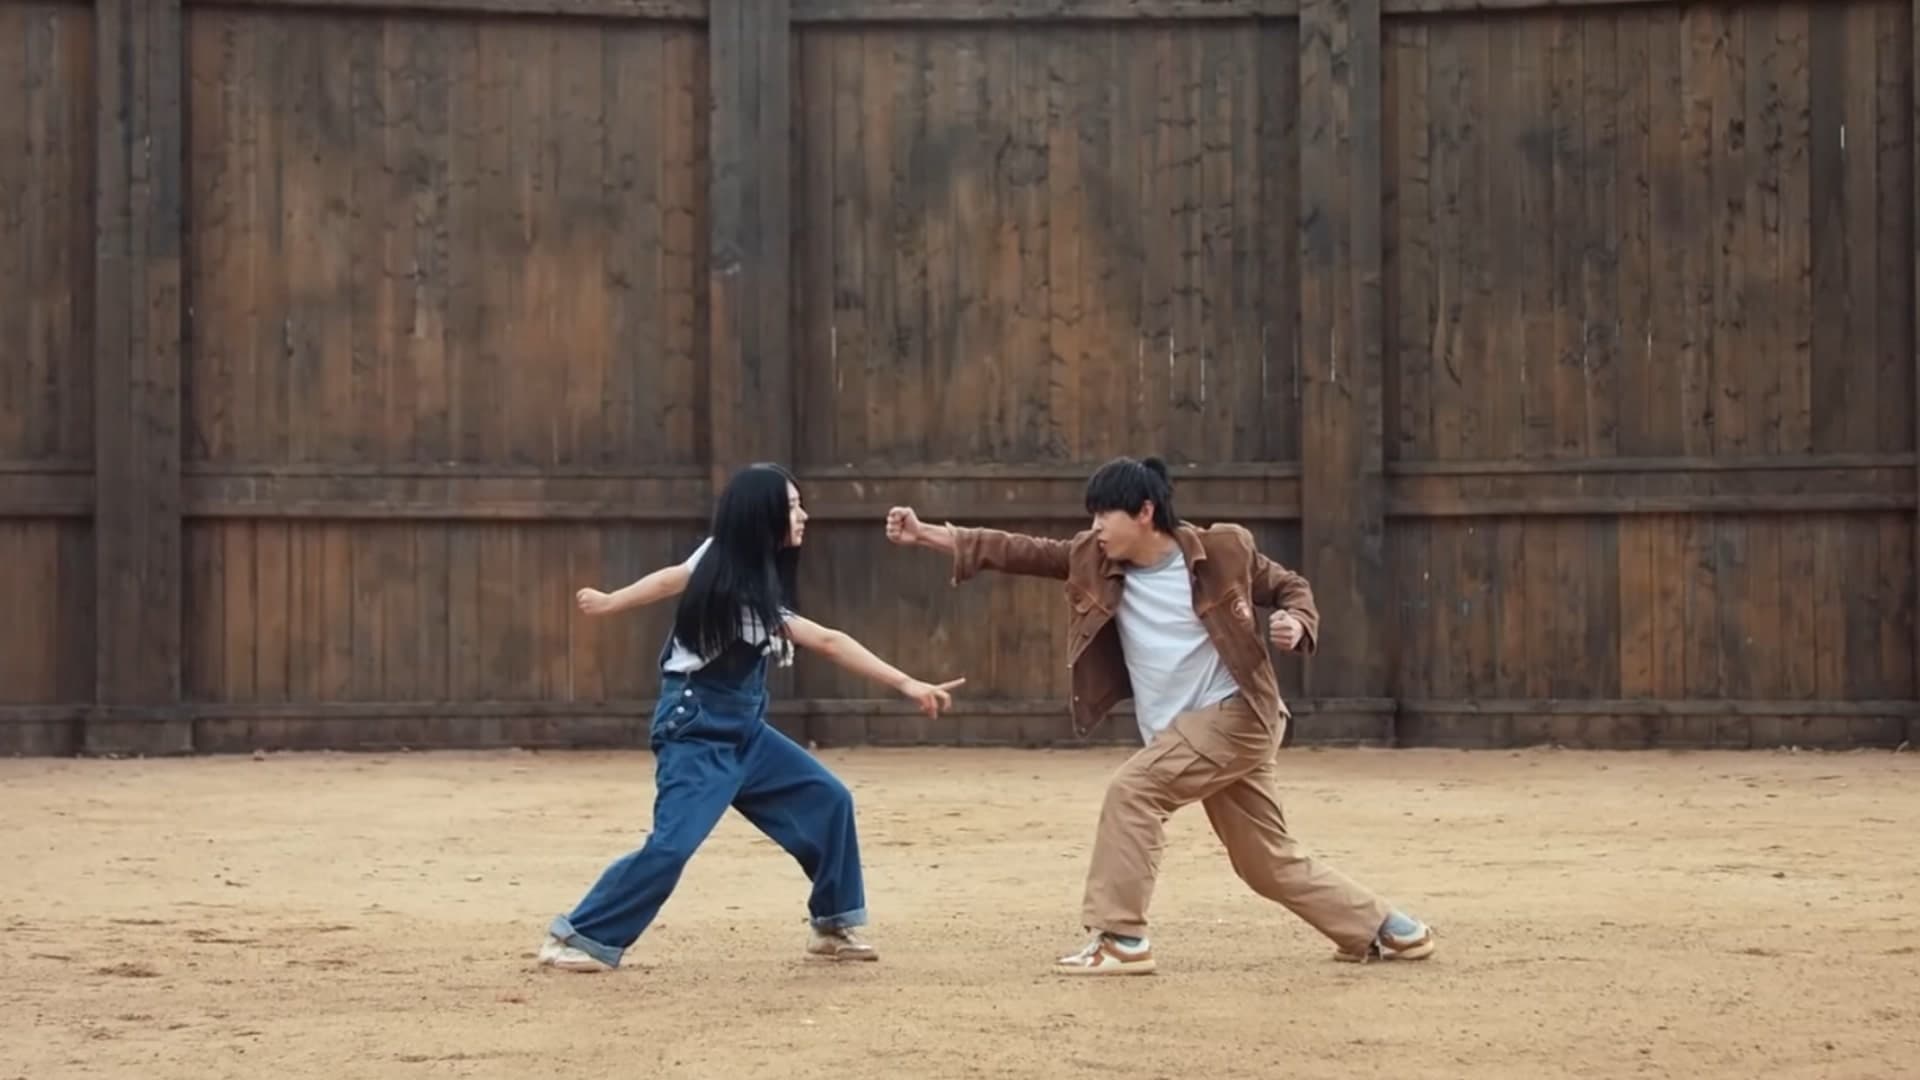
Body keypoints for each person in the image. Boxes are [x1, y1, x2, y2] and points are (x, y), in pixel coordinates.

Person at [884, 455, 1434, 975]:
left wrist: (1297, 622)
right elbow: (1019, 550)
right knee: (1265, 860)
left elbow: (1291, 587)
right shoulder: (1094, 559)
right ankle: (1388, 930)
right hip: (1189, 733)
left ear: (1145, 511)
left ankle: (1120, 939)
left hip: (1239, 714)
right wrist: (927, 534)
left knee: (1133, 792)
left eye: (1105, 514)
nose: (1095, 528)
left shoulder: (1223, 550)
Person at [538, 463, 965, 973]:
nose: (804, 516)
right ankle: (579, 936)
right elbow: (827, 641)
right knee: (672, 846)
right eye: (792, 507)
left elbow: (673, 576)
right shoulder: (737, 590)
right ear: (761, 516)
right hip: (696, 730)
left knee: (829, 801)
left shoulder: (728, 556)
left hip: (745, 731)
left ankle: (833, 926)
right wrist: (907, 683)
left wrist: (613, 601)